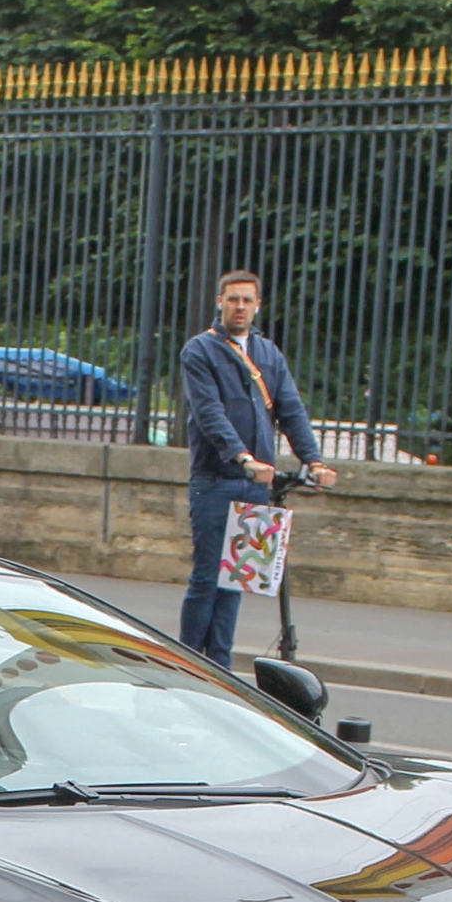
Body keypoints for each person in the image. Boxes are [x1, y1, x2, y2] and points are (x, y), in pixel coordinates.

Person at [177, 271, 337, 667]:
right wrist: (243, 458)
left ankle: (220, 666)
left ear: (258, 305)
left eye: (247, 300)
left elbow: (291, 409)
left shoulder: (268, 354)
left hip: (255, 486)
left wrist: (313, 461)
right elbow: (209, 414)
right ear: (220, 302)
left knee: (234, 582)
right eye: (233, 299)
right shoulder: (199, 351)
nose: (240, 307)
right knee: (207, 580)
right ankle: (187, 663)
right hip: (216, 480)